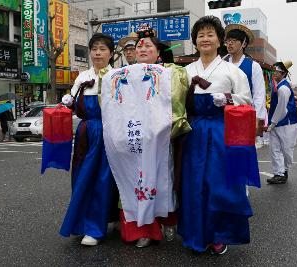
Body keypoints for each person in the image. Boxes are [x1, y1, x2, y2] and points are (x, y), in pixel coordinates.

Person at [178, 15, 254, 255]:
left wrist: (228, 99)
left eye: (211, 34)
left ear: (220, 40)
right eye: (201, 35)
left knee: (219, 184)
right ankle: (195, 234)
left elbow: (247, 102)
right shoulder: (185, 71)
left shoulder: (233, 72)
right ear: (195, 41)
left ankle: (220, 234)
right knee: (193, 183)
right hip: (193, 132)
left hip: (222, 131)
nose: (205, 39)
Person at [111, 25, 191, 248]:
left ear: (158, 52)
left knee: (162, 179)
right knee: (132, 182)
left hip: (159, 137)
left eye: (148, 45)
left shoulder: (171, 72)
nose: (142, 48)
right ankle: (142, 230)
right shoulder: (122, 75)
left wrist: (162, 129)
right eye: (139, 46)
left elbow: (175, 103)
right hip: (133, 137)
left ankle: (167, 221)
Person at [60, 33, 119, 246]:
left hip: (109, 133)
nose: (97, 53)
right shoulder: (82, 76)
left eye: (103, 49)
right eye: (94, 49)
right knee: (82, 177)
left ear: (111, 53)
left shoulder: (117, 76)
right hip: (86, 133)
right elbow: (73, 104)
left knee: (104, 180)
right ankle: (83, 222)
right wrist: (68, 101)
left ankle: (96, 227)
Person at [223, 23, 266, 136]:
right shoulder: (221, 64)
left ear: (244, 44)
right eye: (228, 41)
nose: (230, 43)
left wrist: (257, 118)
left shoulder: (253, 66)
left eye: (234, 40)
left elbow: (259, 94)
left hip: (244, 115)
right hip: (222, 115)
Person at [266, 60, 297, 184]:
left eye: (277, 71)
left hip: (287, 122)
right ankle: (279, 173)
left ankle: (284, 170)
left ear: (284, 73)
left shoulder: (283, 88)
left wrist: (273, 122)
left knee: (286, 149)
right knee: (274, 149)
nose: (274, 73)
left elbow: (282, 108)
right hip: (277, 122)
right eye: (273, 71)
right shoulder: (278, 86)